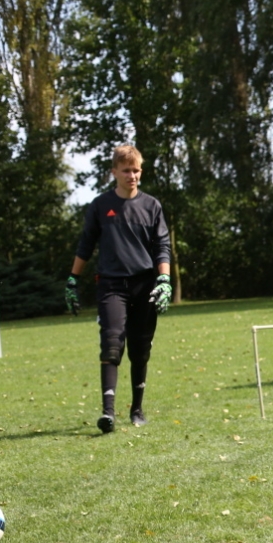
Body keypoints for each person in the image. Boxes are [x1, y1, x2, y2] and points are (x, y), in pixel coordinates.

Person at [67, 144, 172, 433]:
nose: (132, 175)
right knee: (112, 343)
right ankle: (108, 413)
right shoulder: (100, 205)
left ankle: (137, 410)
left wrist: (164, 280)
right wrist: (72, 280)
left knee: (140, 349)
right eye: (126, 170)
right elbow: (86, 244)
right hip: (111, 285)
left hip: (145, 285)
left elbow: (162, 246)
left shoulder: (152, 206)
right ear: (114, 172)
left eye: (136, 170)